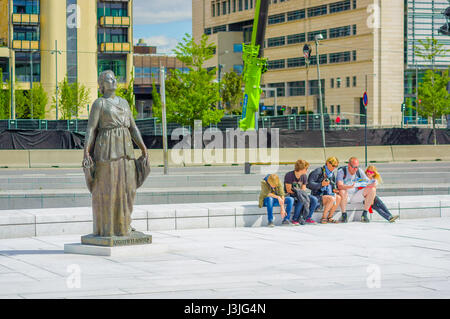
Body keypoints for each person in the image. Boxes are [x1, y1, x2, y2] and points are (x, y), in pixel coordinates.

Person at [83, 70, 148, 237]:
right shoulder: (100, 104)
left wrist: (143, 148)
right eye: (109, 79)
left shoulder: (125, 103)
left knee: (129, 188)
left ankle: (124, 224)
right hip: (107, 149)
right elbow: (91, 129)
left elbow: (133, 128)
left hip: (126, 149)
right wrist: (86, 152)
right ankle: (109, 227)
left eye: (114, 78)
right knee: (109, 188)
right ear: (102, 85)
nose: (113, 81)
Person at [336, 157, 376, 223]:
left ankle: (364, 214)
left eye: (357, 167)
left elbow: (368, 181)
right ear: (349, 165)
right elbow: (339, 186)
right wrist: (350, 186)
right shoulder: (342, 171)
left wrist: (372, 183)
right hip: (346, 196)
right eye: (353, 167)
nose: (355, 169)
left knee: (372, 189)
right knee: (342, 191)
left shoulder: (359, 171)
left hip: (356, 195)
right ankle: (344, 214)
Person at [307, 157, 342, 224]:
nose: (334, 168)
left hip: (326, 194)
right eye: (333, 165)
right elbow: (309, 184)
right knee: (331, 199)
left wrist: (334, 189)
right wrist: (321, 184)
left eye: (336, 166)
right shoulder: (318, 171)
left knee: (338, 197)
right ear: (328, 163)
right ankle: (323, 217)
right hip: (317, 195)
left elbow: (333, 185)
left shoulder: (331, 174)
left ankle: (330, 217)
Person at [284, 159, 319, 225]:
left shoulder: (304, 176)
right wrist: (299, 194)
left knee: (314, 199)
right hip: (291, 195)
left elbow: (303, 189)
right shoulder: (289, 175)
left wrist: (300, 194)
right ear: (302, 168)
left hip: (300, 194)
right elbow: (288, 190)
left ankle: (307, 218)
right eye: (306, 168)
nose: (307, 170)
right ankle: (295, 219)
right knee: (301, 199)